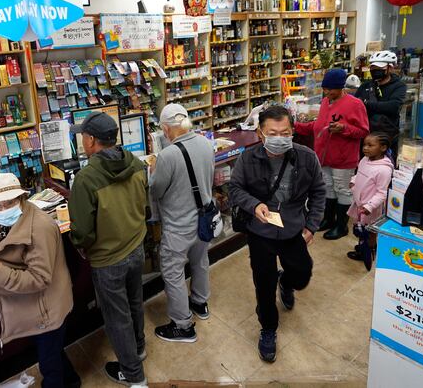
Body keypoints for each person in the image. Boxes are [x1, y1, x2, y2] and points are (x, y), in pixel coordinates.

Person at [228, 105, 325, 363]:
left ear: (292, 131)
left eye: (285, 132)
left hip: (293, 228)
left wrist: (312, 225)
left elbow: (318, 192)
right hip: (260, 231)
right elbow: (235, 189)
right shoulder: (248, 159)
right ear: (261, 133)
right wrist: (254, 204)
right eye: (273, 132)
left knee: (302, 273)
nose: (279, 138)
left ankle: (287, 282)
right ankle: (268, 328)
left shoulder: (306, 157)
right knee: (264, 283)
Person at [67, 112, 149, 386]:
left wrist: (80, 246)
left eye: (83, 136)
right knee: (135, 302)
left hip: (108, 260)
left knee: (117, 316)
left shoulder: (86, 179)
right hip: (136, 247)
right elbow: (143, 205)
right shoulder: (137, 164)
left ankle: (134, 375)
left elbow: (82, 231)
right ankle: (139, 348)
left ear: (91, 140)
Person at [0, 173, 80, 388]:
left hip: (47, 310)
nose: (2, 209)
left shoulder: (39, 228)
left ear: (21, 198)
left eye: (9, 202)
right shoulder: (11, 220)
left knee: (48, 364)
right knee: (53, 352)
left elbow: (39, 278)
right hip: (42, 307)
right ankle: (72, 380)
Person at [149, 104, 214, 343]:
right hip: (203, 220)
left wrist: (153, 171)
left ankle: (182, 325)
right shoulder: (207, 144)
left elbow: (156, 190)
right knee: (200, 261)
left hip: (178, 226)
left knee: (173, 272)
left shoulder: (167, 155)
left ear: (166, 129)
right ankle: (200, 302)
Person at [295, 68, 369, 240]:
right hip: (323, 157)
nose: (327, 92)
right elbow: (318, 126)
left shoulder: (355, 104)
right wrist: (296, 126)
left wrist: (344, 128)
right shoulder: (325, 102)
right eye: (325, 89)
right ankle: (328, 219)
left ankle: (341, 225)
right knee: (327, 188)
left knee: (342, 190)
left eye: (331, 89)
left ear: (341, 87)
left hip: (343, 158)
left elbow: (363, 131)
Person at [347, 133, 393, 271]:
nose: (365, 148)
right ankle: (363, 245)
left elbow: (382, 192)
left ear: (383, 147)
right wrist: (354, 181)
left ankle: (369, 249)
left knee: (370, 230)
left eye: (370, 145)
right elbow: (359, 173)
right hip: (359, 204)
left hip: (371, 207)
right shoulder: (364, 160)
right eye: (364, 145)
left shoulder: (384, 170)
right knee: (360, 227)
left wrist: (369, 206)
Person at [355, 51, 407, 161]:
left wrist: (367, 104)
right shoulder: (366, 86)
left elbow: (393, 107)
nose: (375, 71)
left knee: (385, 166)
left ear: (390, 68)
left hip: (386, 137)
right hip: (365, 136)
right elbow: (356, 105)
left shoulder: (399, 86)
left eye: (379, 68)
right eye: (373, 68)